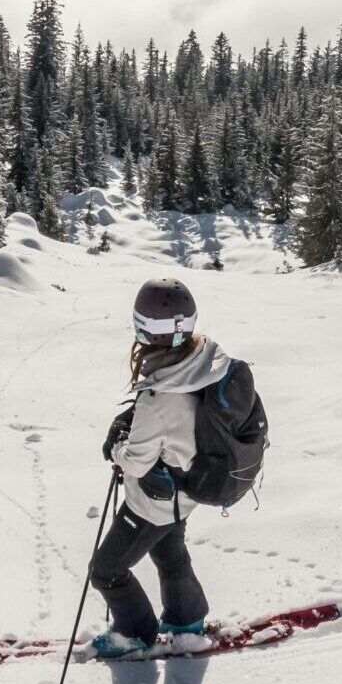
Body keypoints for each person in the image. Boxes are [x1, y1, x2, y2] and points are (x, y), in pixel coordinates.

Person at [88, 277, 234, 658]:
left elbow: (136, 460)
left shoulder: (159, 397)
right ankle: (187, 621)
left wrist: (118, 445)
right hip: (185, 491)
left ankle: (135, 634)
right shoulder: (201, 360)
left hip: (153, 503)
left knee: (107, 571)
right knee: (170, 555)